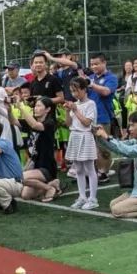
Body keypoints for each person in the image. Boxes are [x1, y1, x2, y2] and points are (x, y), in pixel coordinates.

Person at [95, 110, 137, 218]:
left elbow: (128, 151)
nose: (129, 129)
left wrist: (107, 137)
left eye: (132, 125)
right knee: (112, 204)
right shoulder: (136, 141)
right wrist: (100, 137)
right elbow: (117, 147)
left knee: (117, 210)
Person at [14, 96, 62, 203]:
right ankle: (52, 184)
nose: (35, 108)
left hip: (47, 168)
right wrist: (6, 107)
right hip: (35, 166)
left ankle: (49, 188)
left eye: (39, 106)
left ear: (48, 109)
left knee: (20, 177)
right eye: (35, 106)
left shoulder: (50, 123)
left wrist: (21, 107)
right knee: (25, 195)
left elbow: (35, 125)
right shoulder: (33, 121)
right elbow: (13, 121)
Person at [62, 78, 99, 209]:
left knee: (90, 168)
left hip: (85, 136)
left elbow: (87, 123)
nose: (74, 94)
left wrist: (75, 109)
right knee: (78, 169)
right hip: (75, 136)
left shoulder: (91, 104)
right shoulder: (75, 104)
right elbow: (68, 124)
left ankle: (93, 198)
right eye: (72, 91)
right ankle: (82, 196)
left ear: (84, 89)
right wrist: (67, 111)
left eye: (76, 91)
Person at [85, 53, 118, 180]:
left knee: (103, 147)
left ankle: (104, 172)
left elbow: (106, 91)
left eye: (96, 63)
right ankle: (96, 171)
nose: (94, 66)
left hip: (103, 116)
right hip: (89, 118)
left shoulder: (111, 77)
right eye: (92, 64)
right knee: (91, 148)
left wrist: (91, 84)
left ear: (104, 63)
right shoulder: (90, 77)